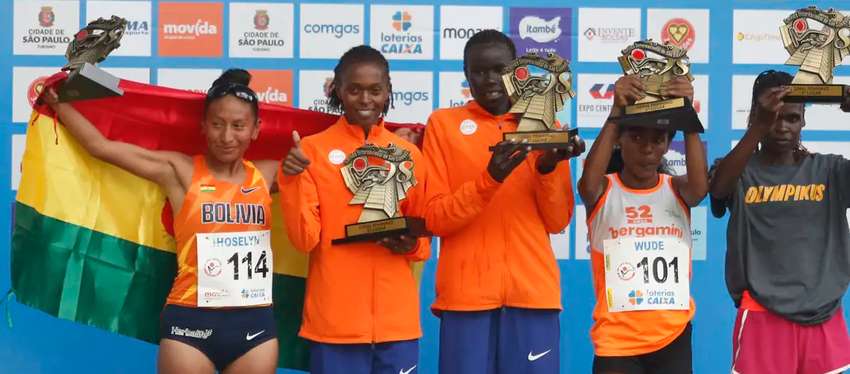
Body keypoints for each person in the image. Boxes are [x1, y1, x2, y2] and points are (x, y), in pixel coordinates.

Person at [43, 69, 281, 374]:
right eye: (217, 124)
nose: (226, 136)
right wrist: (60, 104)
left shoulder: (271, 174)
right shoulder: (179, 171)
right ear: (203, 126)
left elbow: (327, 176)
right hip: (191, 323)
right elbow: (100, 147)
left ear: (256, 129)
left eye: (238, 126)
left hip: (254, 326)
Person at [421, 29, 584, 374]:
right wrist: (490, 178)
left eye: (500, 69)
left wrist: (548, 167)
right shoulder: (443, 125)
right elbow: (435, 218)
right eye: (479, 71)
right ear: (466, 74)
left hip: (533, 296)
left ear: (517, 71)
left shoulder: (543, 124)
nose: (491, 79)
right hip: (466, 299)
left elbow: (557, 221)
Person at [278, 45, 430, 374]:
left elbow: (424, 235)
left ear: (388, 91)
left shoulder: (409, 154)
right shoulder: (311, 150)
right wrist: (289, 181)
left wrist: (413, 244)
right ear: (337, 90)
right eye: (355, 89)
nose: (365, 100)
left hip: (397, 324)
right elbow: (305, 240)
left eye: (375, 90)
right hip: (335, 324)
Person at [708, 70, 850, 374]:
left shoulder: (829, 170)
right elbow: (719, 189)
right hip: (762, 315)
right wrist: (757, 126)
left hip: (823, 315)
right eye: (773, 117)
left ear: (803, 121)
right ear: (756, 116)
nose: (782, 127)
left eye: (792, 118)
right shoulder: (737, 170)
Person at [577, 74, 707, 374]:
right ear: (619, 141)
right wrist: (615, 111)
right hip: (617, 342)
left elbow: (701, 188)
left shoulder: (677, 190)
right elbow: (585, 185)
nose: (647, 148)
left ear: (666, 145)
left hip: (672, 337)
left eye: (657, 139)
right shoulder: (602, 191)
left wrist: (686, 111)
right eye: (636, 137)